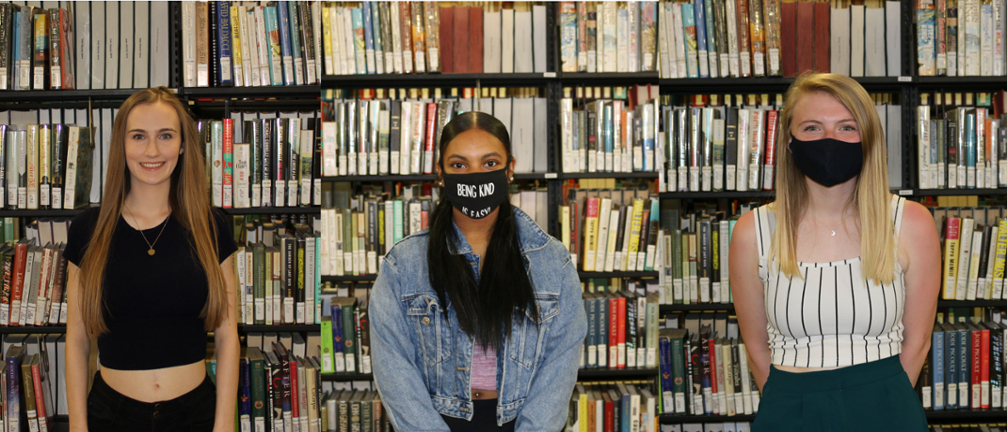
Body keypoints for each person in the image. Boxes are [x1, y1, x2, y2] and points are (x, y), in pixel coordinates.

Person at [728, 73, 940, 431]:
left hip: (886, 410)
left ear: (869, 136)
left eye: (846, 127)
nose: (830, 140)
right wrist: (794, 402)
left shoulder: (912, 223)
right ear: (790, 142)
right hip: (789, 411)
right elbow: (756, 348)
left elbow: (917, 342)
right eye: (812, 128)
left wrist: (880, 399)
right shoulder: (752, 232)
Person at [370, 111, 587, 432]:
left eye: (489, 163)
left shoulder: (553, 261)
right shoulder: (403, 264)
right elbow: (393, 367)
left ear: (510, 169)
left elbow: (560, 365)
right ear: (441, 174)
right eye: (459, 165)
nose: (475, 175)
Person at [64, 87, 239, 432]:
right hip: (111, 416)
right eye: (139, 136)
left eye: (166, 136)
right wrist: (77, 427)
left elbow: (227, 336)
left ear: (183, 144)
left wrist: (223, 426)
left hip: (196, 416)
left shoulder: (212, 226)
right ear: (122, 145)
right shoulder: (88, 229)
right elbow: (77, 339)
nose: (153, 150)